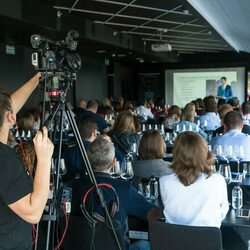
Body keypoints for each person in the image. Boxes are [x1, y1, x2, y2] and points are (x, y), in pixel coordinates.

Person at [71, 139, 160, 250]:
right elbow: (152, 214)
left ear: (87, 161)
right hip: (117, 247)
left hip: (82, 246)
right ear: (114, 163)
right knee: (146, 245)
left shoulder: (74, 186)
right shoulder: (124, 188)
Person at [0, 73, 54, 249]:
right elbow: (33, 214)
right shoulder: (4, 158)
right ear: (11, 117)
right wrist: (45, 159)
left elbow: (7, 107)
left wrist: (36, 79)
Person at [160, 132, 228, 228]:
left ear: (176, 153)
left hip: (173, 240)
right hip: (208, 240)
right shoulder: (218, 180)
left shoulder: (164, 181)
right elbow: (222, 212)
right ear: (204, 152)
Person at [63, 116, 123, 180]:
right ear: (95, 132)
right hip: (99, 184)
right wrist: (110, 144)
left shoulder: (66, 152)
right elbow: (121, 165)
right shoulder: (100, 151)